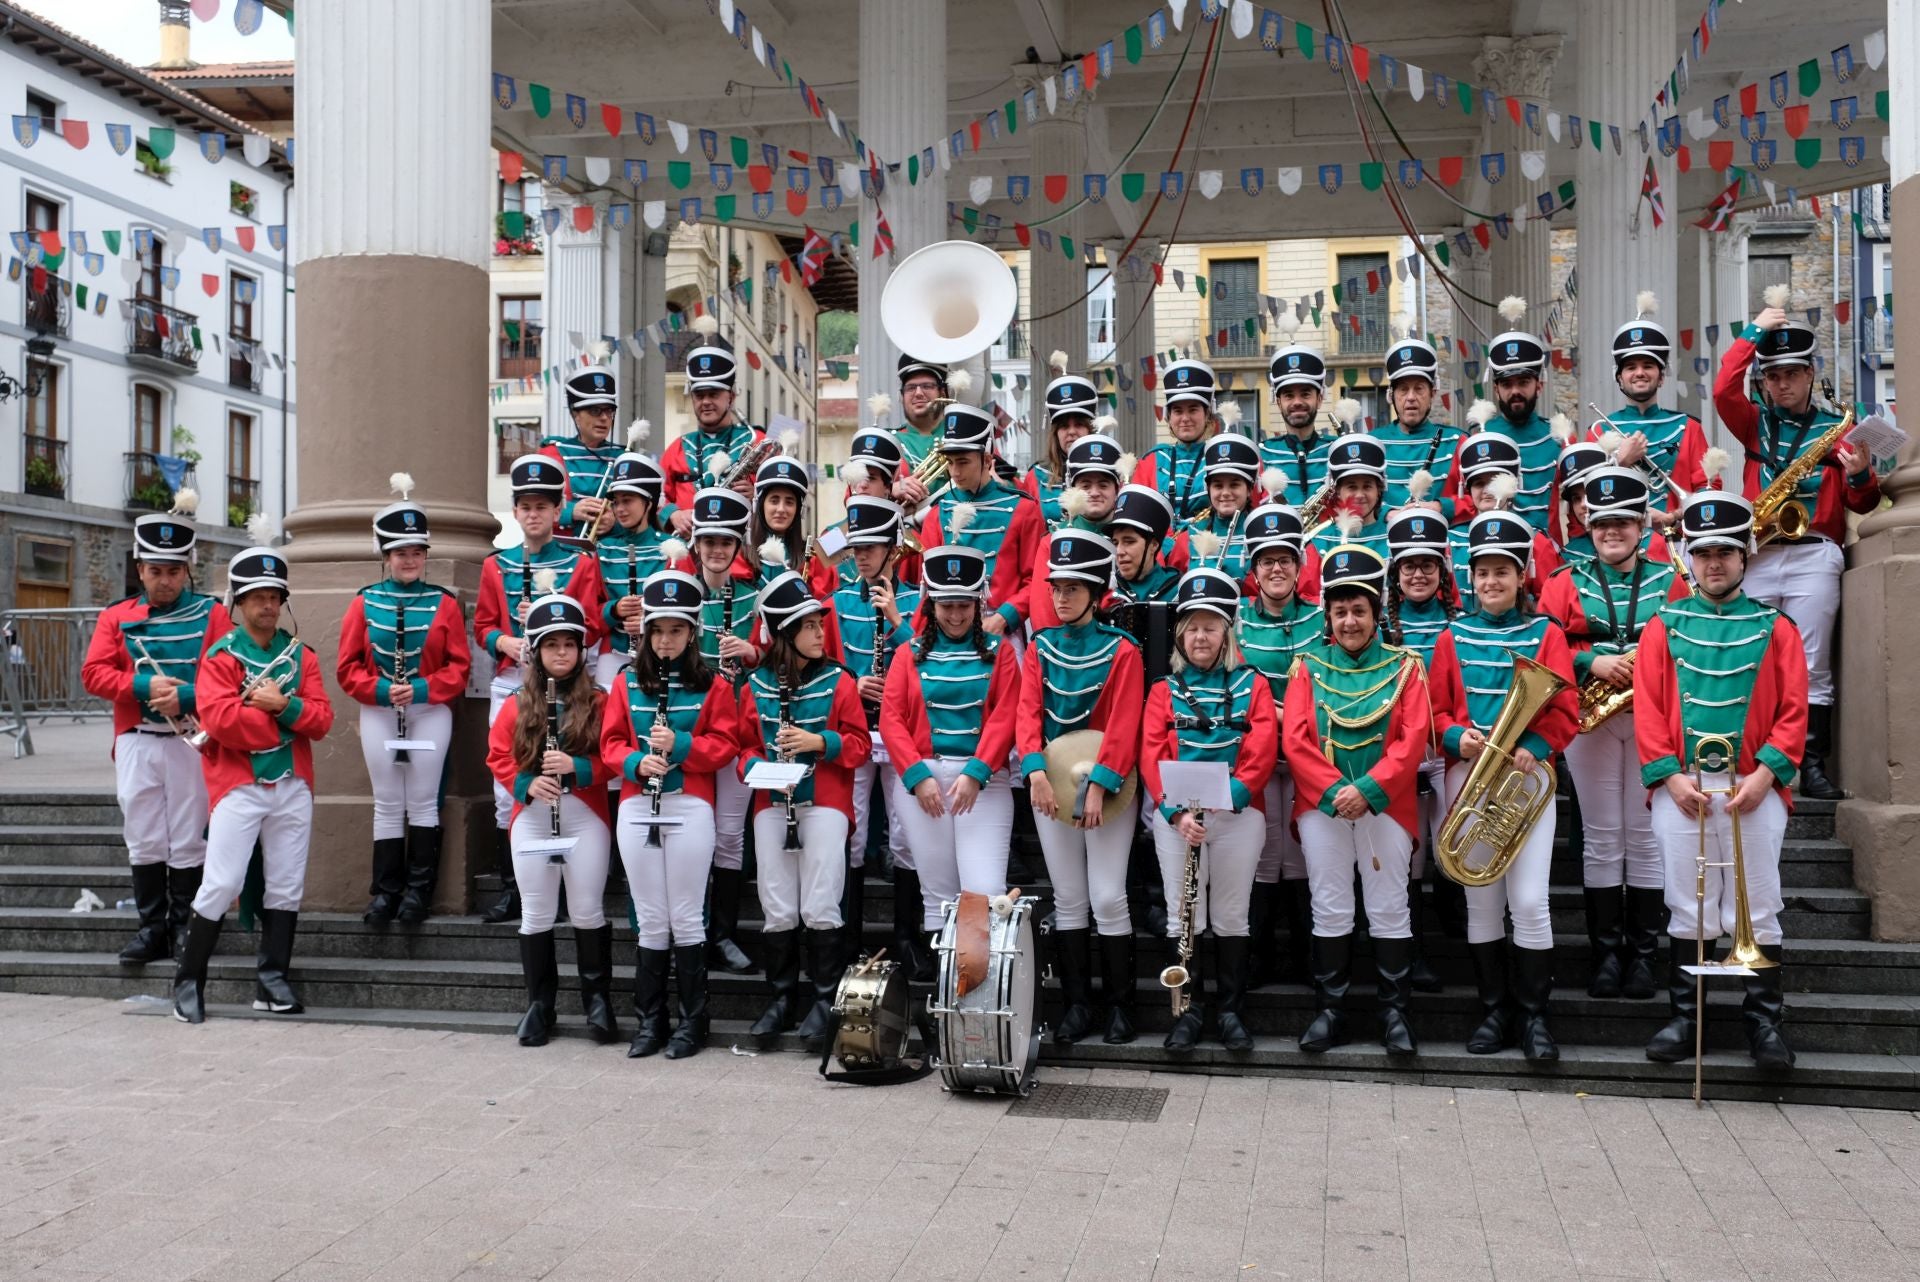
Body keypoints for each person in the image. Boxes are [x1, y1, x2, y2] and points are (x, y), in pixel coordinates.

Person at [1636, 491, 1807, 1070]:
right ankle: (1691, 1019)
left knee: (1756, 907)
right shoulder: (1663, 626)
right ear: (1689, 556)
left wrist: (1765, 775)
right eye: (1704, 552)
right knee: (1688, 907)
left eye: (1726, 554)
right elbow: (1649, 710)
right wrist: (1668, 778)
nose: (1714, 563)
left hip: (1752, 787)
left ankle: (1764, 1024)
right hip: (1683, 788)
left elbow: (1793, 711)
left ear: (1746, 557)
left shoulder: (1776, 626)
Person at [1428, 510, 1579, 1061]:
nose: (1491, 582)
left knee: (1532, 902)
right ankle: (1494, 1012)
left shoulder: (1547, 633)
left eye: (1503, 572)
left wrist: (1533, 748)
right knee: (1482, 903)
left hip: (1524, 778)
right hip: (1469, 774)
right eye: (1482, 572)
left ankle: (1535, 1017)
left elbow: (1566, 710)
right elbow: (1435, 710)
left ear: (1522, 577)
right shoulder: (1452, 635)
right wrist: (1453, 737)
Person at [1714, 300, 1879, 800]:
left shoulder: (1839, 429)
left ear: (1811, 374)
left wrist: (1860, 474)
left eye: (1791, 374)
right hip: (1759, 554)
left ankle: (1810, 763)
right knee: (1751, 658)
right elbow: (1723, 387)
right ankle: (1748, 756)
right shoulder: (1753, 422)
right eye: (1772, 376)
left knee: (1812, 665)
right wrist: (1753, 332)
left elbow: (1864, 502)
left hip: (1813, 553)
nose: (1781, 384)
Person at [1538, 467, 1689, 1003]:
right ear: (1587, 522)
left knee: (1644, 835)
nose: (1610, 532)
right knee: (1603, 835)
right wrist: (1592, 661)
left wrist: (1645, 660)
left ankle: (1643, 956)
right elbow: (1543, 648)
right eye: (1601, 522)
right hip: (1588, 717)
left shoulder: (1670, 575)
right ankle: (1606, 956)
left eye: (1623, 522)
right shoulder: (1561, 580)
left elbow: (1686, 637)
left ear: (1642, 524)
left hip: (1652, 716)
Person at [171, 541, 334, 1024]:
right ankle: (187, 980)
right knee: (221, 883)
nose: (267, 605)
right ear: (238, 602)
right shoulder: (221, 658)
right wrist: (284, 725)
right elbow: (221, 722)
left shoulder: (300, 655)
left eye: (274, 596)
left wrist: (282, 706)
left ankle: (272, 979)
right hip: (238, 783)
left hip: (292, 783)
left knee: (286, 884)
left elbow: (323, 721)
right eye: (257, 596)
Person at [1283, 546, 1431, 1056]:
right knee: (1330, 905)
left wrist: (1366, 791)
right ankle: (1332, 1011)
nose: (1349, 621)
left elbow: (1413, 740)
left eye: (1359, 611)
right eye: (1340, 611)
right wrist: (1333, 792)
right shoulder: (1306, 665)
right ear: (1327, 615)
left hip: (1385, 805)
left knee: (1390, 906)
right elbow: (1296, 739)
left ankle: (1396, 1015)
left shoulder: (1407, 666)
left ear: (1376, 614)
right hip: (1322, 806)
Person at [81, 499, 231, 965]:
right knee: (143, 833)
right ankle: (152, 930)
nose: (164, 581)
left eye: (173, 571)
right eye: (155, 570)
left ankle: (185, 925)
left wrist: (188, 697)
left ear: (187, 570)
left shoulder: (213, 614)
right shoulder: (115, 617)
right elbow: (93, 675)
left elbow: (230, 672)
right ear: (140, 568)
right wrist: (143, 684)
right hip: (137, 739)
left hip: (191, 740)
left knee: (188, 835)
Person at [601, 570, 741, 1060]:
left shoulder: (715, 684)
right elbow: (610, 744)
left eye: (676, 631)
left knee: (685, 915)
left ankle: (692, 1023)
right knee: (651, 917)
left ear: (692, 632)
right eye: (658, 630)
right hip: (639, 804)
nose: (665, 641)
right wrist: (637, 761)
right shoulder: (625, 681)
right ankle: (650, 1021)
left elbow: (726, 745)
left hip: (690, 805)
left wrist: (679, 745)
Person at [1140, 567, 1278, 1052]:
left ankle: (1231, 1012)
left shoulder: (1253, 684)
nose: (1201, 636)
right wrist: (1177, 814)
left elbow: (1261, 749)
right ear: (1180, 634)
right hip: (1179, 822)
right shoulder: (1162, 689)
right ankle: (1187, 1011)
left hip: (1239, 816)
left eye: (1211, 626)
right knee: (1184, 916)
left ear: (1227, 633)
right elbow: (1152, 755)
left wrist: (1227, 800)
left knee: (1232, 914)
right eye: (1192, 627)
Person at [1017, 530, 1146, 1045]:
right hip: (1050, 786)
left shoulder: (1123, 650)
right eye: (1056, 587)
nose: (1061, 596)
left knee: (1109, 896)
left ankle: (1120, 1006)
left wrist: (1099, 785)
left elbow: (1123, 724)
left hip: (1107, 788)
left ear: (1097, 593)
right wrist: (1035, 773)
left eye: (1074, 588)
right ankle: (1076, 1005)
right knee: (1069, 898)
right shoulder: (1040, 647)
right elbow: (1028, 714)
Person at [738, 571, 872, 1048]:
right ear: (784, 634)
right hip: (771, 805)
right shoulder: (754, 684)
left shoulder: (839, 680)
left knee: (820, 902)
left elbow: (859, 745)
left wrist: (819, 742)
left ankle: (822, 999)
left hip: (825, 803)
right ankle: (780, 999)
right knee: (776, 904)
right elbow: (744, 749)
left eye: (820, 624)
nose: (821, 632)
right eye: (810, 626)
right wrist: (759, 766)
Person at [473, 455, 607, 924]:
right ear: (516, 512)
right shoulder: (498, 565)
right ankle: (516, 884)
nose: (534, 514)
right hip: (515, 679)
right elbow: (484, 626)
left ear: (557, 511)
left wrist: (553, 613)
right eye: (526, 506)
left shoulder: (580, 561)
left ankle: (575, 872)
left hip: (567, 679)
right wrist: (507, 640)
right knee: (508, 784)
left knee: (569, 762)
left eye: (543, 506)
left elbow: (590, 621)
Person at [336, 481, 472, 925]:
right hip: (380, 711)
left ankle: (418, 893)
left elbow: (458, 667)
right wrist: (379, 691)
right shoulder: (364, 602)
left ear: (426, 554)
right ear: (386, 555)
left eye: (417, 551)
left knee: (423, 801)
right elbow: (347, 668)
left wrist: (422, 689)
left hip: (429, 711)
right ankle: (385, 892)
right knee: (388, 801)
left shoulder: (444, 603)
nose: (410, 559)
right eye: (400, 552)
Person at [486, 593, 616, 1048]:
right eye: (551, 645)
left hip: (585, 816)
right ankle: (540, 1005)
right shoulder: (519, 701)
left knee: (586, 909)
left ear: (582, 650)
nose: (561, 652)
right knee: (536, 912)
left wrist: (578, 770)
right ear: (537, 652)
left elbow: (614, 757)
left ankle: (597, 1002)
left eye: (569, 644)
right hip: (534, 818)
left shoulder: (601, 701)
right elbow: (497, 756)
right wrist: (525, 784)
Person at [880, 546, 1023, 961]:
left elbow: (1005, 716)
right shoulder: (908, 654)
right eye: (946, 606)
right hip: (923, 782)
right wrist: (917, 776)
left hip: (984, 784)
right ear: (931, 603)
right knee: (937, 894)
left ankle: (977, 993)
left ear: (978, 604)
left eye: (964, 606)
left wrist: (976, 772)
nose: (956, 616)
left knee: (982, 891)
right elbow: (892, 719)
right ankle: (950, 998)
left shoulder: (1000, 653)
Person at [830, 498, 922, 974]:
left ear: (893, 550)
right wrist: (852, 681)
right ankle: (848, 939)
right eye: (856, 548)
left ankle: (908, 937)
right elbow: (823, 662)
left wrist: (897, 622)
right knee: (853, 827)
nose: (861, 556)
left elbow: (928, 662)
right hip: (854, 726)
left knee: (906, 831)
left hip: (902, 729)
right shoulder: (838, 601)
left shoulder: (917, 599)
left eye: (871, 548)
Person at [1235, 503, 1323, 988]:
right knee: (1265, 850)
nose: (1275, 568)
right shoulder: (1238, 622)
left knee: (1304, 849)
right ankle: (1258, 955)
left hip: (1310, 755)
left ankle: (1309, 957)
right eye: (1265, 560)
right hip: (1259, 756)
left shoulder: (1320, 619)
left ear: (1299, 564)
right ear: (1253, 568)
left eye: (1284, 559)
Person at [1383, 507, 1459, 989]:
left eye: (1427, 564)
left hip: (1451, 753)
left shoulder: (1464, 622)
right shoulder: (1380, 626)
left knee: (1451, 847)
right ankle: (1411, 953)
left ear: (1442, 570)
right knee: (1408, 857)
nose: (1417, 574)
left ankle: (1458, 945)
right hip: (1400, 755)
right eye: (1408, 565)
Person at [686, 486, 760, 974]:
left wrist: (752, 653)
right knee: (692, 833)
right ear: (696, 544)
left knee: (730, 835)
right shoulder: (674, 591)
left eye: (725, 542)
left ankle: (723, 933)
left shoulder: (756, 595)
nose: (716, 550)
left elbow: (775, 660)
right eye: (708, 541)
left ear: (737, 547)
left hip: (737, 728)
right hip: (690, 731)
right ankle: (690, 929)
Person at [918, 402, 1037, 635]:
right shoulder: (936, 513)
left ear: (987, 460)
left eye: (963, 462)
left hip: (1002, 628)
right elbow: (927, 587)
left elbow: (1035, 579)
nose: (955, 473)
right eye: (950, 463)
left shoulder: (1024, 509)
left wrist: (1005, 617)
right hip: (947, 629)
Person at [1589, 292, 1710, 522]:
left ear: (1662, 376)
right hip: (1620, 543)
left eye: (1648, 365)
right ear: (1619, 378)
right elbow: (1585, 498)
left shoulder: (1689, 427)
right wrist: (1620, 462)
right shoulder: (1599, 430)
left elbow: (1706, 489)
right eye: (1630, 367)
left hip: (1676, 542)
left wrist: (1671, 517)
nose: (1640, 373)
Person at [1447, 297, 1560, 534]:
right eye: (1507, 384)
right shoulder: (1475, 442)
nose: (1515, 391)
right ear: (1496, 389)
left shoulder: (1558, 440)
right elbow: (1462, 504)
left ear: (1539, 385)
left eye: (1523, 382)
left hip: (1548, 557)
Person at [1020, 433, 1131, 631]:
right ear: (1072, 489)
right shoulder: (1054, 541)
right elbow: (1044, 615)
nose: (1094, 492)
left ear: (1118, 488)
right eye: (1085, 485)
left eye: (1103, 484)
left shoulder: (1134, 537)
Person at [659, 334, 764, 533]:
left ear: (731, 397)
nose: (705, 401)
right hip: (685, 555)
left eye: (714, 394)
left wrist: (757, 496)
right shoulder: (676, 448)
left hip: (743, 553)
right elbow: (656, 498)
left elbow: (783, 498)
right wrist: (673, 514)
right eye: (699, 395)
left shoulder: (757, 441)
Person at [1447, 434, 1561, 611]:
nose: (1486, 490)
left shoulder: (1535, 539)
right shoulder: (1450, 539)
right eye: (1478, 483)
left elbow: (1549, 602)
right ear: (1468, 489)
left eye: (1494, 481)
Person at [536, 365, 625, 541]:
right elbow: (532, 510)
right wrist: (571, 512)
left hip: (613, 555)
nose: (604, 418)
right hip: (565, 554)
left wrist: (615, 521)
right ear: (575, 414)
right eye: (595, 411)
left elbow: (645, 515)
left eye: (609, 410)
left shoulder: (624, 458)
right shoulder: (553, 453)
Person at [1378, 332, 1463, 511]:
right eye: (1403, 389)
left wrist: (1441, 507)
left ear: (1433, 392)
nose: (1411, 398)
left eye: (1419, 389)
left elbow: (1481, 498)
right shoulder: (1372, 442)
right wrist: (1387, 514)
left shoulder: (1457, 442)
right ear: (1391, 395)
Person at [1132, 359, 1217, 521]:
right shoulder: (1151, 460)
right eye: (1178, 411)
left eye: (1193, 410)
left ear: (1207, 414)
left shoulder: (1219, 456)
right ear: (1168, 417)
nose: (1185, 418)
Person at [1261, 328, 1335, 509]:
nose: (1297, 402)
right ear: (1278, 402)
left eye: (1305, 394)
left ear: (1319, 399)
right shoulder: (1263, 454)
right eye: (1288, 395)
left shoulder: (1338, 449)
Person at [1026, 364, 1102, 525]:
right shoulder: (1035, 476)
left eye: (1079, 425)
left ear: (1090, 430)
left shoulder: (1110, 470)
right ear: (1056, 433)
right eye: (1064, 426)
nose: (1072, 432)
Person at [1184, 432, 1262, 583]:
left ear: (1250, 489)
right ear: (1208, 489)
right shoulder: (1189, 536)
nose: (1225, 493)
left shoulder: (1262, 534)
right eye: (1218, 485)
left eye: (1234, 484)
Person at [1307, 434, 1392, 568]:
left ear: (1379, 491)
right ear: (1338, 491)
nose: (1359, 495)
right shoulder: (1320, 541)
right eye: (1351, 487)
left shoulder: (1394, 536)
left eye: (1367, 486)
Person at [892, 352, 951, 469]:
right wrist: (895, 487)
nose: (918, 393)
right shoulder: (888, 440)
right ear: (902, 397)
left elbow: (994, 483)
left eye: (927, 386)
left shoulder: (966, 435)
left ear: (943, 393)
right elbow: (860, 487)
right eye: (911, 388)